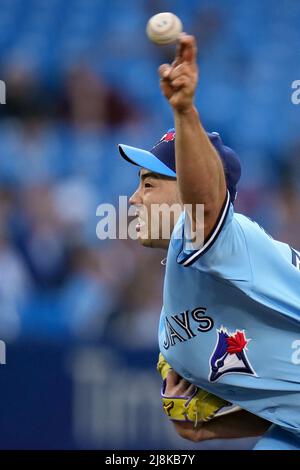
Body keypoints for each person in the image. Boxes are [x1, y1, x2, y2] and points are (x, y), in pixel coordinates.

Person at [118, 34, 300, 450]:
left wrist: (184, 111)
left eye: (149, 183)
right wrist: (207, 428)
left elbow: (206, 204)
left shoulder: (228, 241)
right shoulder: (170, 324)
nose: (133, 199)